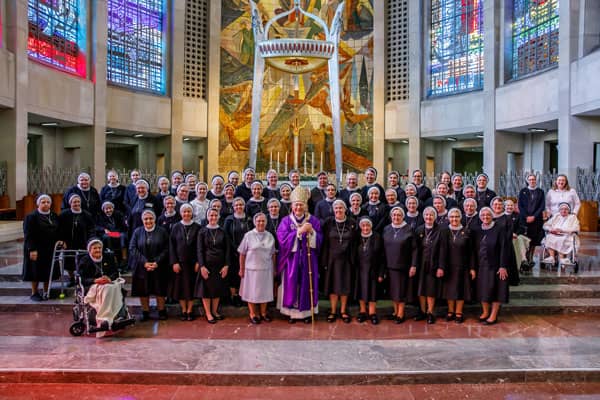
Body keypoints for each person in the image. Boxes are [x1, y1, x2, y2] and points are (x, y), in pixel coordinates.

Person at [276, 185, 323, 323]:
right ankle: (292, 313)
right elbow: (282, 239)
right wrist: (299, 232)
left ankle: (307, 313)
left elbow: (320, 239)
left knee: (307, 285)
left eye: (301, 205)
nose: (298, 208)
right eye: (296, 205)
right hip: (292, 259)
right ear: (292, 206)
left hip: (309, 258)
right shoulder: (286, 221)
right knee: (292, 284)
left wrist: (312, 232)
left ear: (305, 205)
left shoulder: (313, 220)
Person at [129, 209, 170, 321]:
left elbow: (167, 248)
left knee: (160, 289)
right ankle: (145, 311)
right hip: (141, 266)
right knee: (143, 290)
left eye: (150, 218)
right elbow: (132, 248)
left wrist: (157, 261)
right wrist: (144, 262)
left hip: (159, 265)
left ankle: (161, 311)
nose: (148, 221)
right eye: (146, 219)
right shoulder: (137, 232)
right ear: (142, 220)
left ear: (155, 219)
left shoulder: (162, 231)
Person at [321, 200, 357, 323]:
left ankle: (343, 311)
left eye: (341, 208)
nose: (338, 210)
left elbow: (355, 242)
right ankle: (333, 311)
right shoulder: (329, 223)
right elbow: (325, 242)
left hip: (346, 260)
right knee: (332, 286)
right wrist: (324, 260)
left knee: (344, 285)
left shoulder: (352, 222)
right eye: (336, 208)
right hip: (332, 259)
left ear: (345, 209)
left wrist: (353, 260)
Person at [473, 207, 510, 325]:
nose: (485, 217)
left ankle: (493, 315)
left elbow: (505, 248)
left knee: (496, 290)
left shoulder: (499, 229)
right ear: (480, 217)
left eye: (488, 215)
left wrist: (503, 266)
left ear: (492, 215)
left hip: (495, 265)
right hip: (481, 265)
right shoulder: (478, 230)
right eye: (483, 215)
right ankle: (485, 312)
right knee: (482, 290)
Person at [239, 212, 277, 324]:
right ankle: (253, 314)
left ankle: (263, 313)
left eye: (263, 221)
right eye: (258, 221)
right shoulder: (248, 235)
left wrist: (274, 269)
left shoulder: (270, 236)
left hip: (266, 269)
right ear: (255, 222)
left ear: (266, 222)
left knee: (265, 292)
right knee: (251, 292)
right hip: (251, 269)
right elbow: (242, 253)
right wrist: (241, 269)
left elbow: (273, 253)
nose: (261, 223)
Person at [381, 206, 418, 323]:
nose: (396, 217)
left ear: (403, 216)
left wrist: (413, 265)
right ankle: (395, 311)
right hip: (389, 265)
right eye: (394, 215)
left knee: (400, 291)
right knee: (393, 291)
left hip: (403, 266)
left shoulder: (409, 229)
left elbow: (415, 249)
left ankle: (401, 313)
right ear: (391, 216)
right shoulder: (387, 229)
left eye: (399, 215)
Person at [22, 194, 61, 301]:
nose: (46, 204)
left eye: (48, 202)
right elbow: (28, 235)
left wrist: (60, 240)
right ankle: (34, 292)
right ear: (38, 204)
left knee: (48, 270)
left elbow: (58, 231)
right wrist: (32, 249)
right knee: (35, 270)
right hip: (36, 248)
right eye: (43, 202)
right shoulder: (31, 217)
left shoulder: (54, 215)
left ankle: (46, 291)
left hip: (49, 248)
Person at [441, 208, 476, 324]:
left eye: (456, 217)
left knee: (460, 290)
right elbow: (441, 250)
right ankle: (450, 311)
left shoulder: (466, 231)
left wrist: (472, 268)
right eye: (452, 217)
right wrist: (441, 266)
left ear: (460, 217)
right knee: (449, 290)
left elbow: (471, 251)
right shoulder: (444, 231)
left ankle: (459, 312)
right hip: (448, 265)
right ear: (448, 218)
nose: (454, 219)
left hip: (462, 266)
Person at [196, 208, 230, 323]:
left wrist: (226, 265)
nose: (213, 218)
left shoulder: (223, 231)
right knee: (206, 290)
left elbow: (227, 250)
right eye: (211, 215)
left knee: (217, 289)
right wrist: (202, 266)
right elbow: (199, 250)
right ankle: (208, 313)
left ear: (219, 216)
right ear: (207, 216)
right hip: (207, 265)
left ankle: (215, 311)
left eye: (215, 215)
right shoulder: (202, 231)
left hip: (220, 265)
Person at [169, 204, 200, 321]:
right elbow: (171, 246)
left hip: (192, 264)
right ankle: (183, 309)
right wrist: (174, 262)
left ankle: (190, 310)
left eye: (188, 211)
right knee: (180, 287)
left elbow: (199, 246)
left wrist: (198, 261)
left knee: (191, 287)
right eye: (184, 212)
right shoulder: (176, 227)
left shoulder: (197, 227)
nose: (186, 214)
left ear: (192, 213)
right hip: (179, 263)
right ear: (181, 213)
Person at [415, 206, 446, 324]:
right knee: (421, 288)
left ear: (435, 217)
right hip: (421, 263)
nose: (428, 217)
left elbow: (443, 250)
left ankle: (430, 312)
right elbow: (415, 249)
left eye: (431, 215)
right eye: (426, 215)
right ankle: (422, 311)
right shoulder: (419, 230)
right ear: (423, 217)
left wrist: (441, 267)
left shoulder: (441, 230)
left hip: (434, 263)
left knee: (431, 289)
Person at [58, 194, 96, 285]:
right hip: (69, 242)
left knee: (83, 261)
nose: (76, 204)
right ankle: (71, 278)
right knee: (69, 262)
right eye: (74, 202)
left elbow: (91, 229)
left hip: (83, 241)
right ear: (70, 203)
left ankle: (82, 278)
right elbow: (59, 229)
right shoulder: (64, 214)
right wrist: (62, 241)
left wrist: (90, 241)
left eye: (78, 202)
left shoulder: (87, 214)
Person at [355, 217, 384, 325]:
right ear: (360, 227)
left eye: (368, 225)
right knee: (360, 290)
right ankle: (362, 311)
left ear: (371, 226)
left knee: (373, 291)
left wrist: (381, 273)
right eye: (363, 226)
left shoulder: (377, 237)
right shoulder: (357, 237)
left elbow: (382, 256)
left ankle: (372, 313)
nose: (366, 228)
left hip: (374, 269)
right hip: (360, 269)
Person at [224, 197, 253, 307]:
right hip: (233, 251)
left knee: (245, 274)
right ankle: (234, 296)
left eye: (241, 205)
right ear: (233, 207)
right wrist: (236, 248)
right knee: (234, 275)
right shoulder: (229, 220)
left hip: (248, 252)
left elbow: (252, 234)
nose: (239, 207)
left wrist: (246, 249)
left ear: (244, 206)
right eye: (236, 205)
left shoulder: (249, 220)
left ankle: (244, 295)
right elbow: (226, 236)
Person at [518, 173, 545, 266]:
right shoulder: (523, 191)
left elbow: (542, 206)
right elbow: (520, 205)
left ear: (536, 180)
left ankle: (531, 257)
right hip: (524, 220)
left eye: (533, 179)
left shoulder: (540, 192)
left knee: (534, 240)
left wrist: (534, 216)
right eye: (530, 179)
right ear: (527, 181)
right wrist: (526, 217)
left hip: (536, 220)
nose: (532, 181)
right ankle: (524, 257)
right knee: (525, 238)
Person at [95, 201, 127, 269]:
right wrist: (104, 229)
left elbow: (123, 226)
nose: (109, 210)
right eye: (106, 209)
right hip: (107, 234)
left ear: (113, 208)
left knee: (123, 236)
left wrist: (115, 232)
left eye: (110, 208)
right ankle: (113, 257)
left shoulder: (118, 214)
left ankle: (124, 258)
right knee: (107, 237)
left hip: (118, 232)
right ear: (103, 210)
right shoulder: (100, 216)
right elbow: (96, 226)